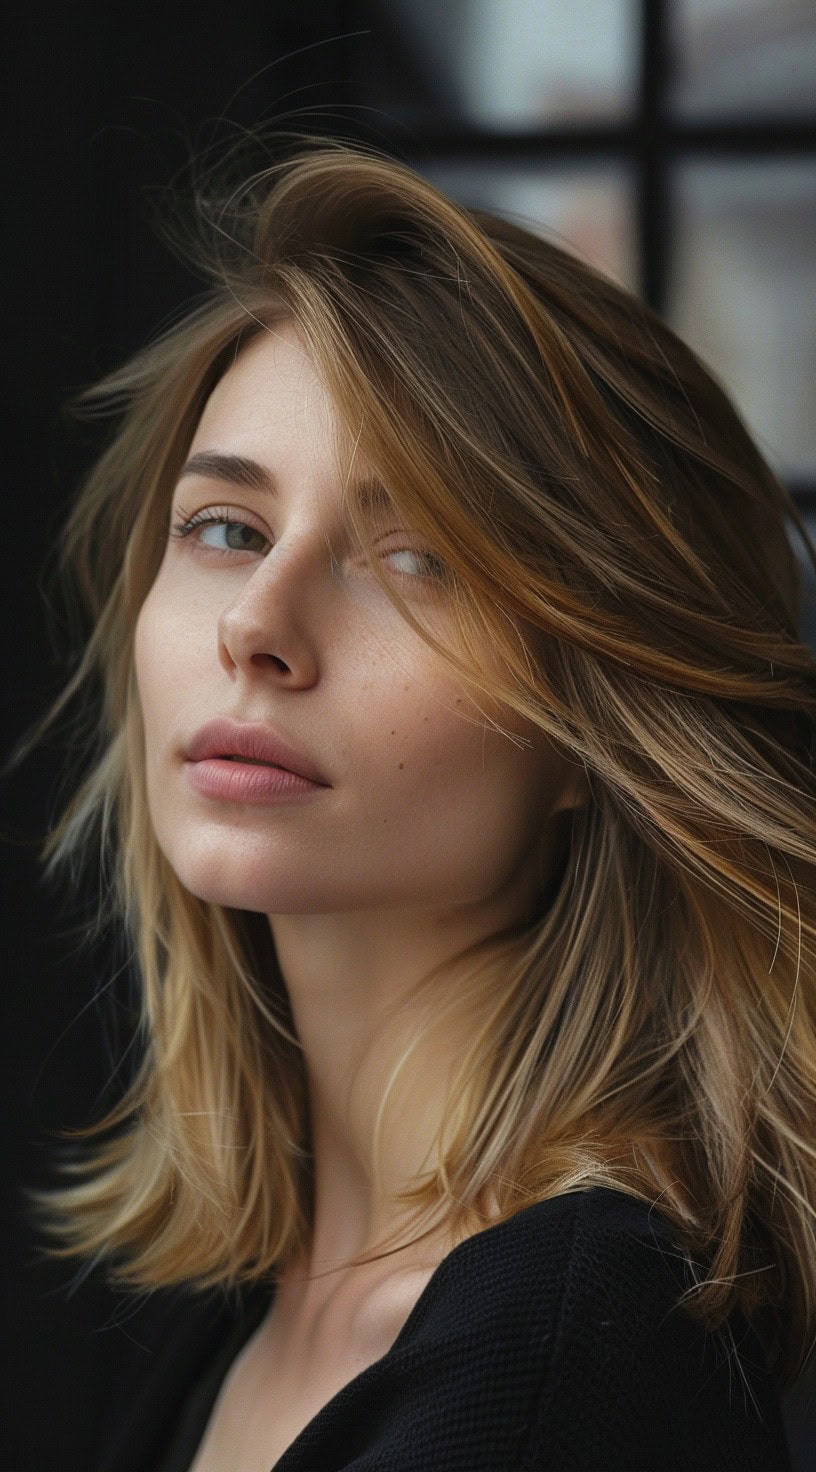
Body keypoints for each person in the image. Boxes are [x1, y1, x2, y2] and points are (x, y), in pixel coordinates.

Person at [15, 132, 816, 1470]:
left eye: (414, 558)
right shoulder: (237, 1313)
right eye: (226, 528)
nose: (258, 627)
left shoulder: (555, 1388)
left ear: (592, 724)